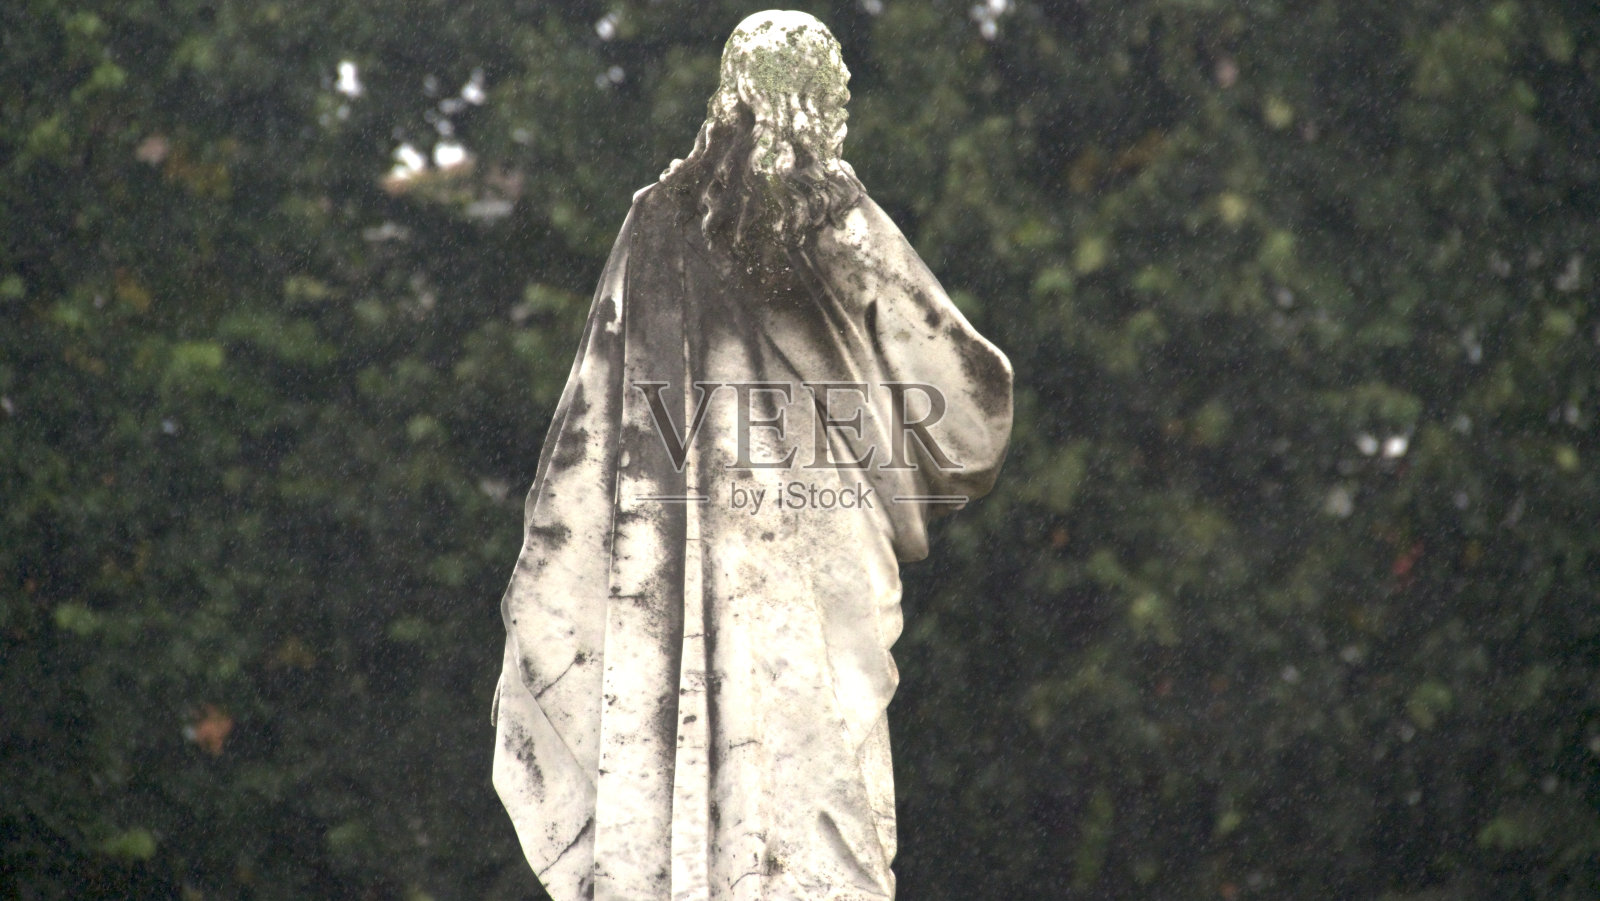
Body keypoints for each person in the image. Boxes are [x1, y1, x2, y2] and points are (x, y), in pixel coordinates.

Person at [491, 11, 1013, 900]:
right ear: (822, 104)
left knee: (690, 771)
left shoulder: (656, 225)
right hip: (823, 561)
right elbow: (966, 413)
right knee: (821, 796)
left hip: (676, 553)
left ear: (727, 97)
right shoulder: (841, 225)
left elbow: (591, 433)